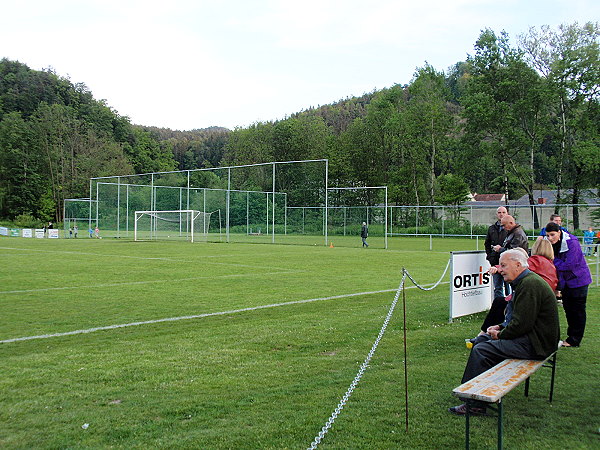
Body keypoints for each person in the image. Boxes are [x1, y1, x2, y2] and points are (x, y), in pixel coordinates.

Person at [449, 249, 560, 415]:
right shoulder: (525, 282)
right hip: (532, 339)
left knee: (482, 349)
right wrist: (500, 327)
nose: (500, 269)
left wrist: (500, 334)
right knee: (480, 341)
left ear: (517, 265)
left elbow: (522, 325)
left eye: (503, 265)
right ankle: (476, 393)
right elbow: (518, 319)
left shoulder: (529, 285)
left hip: (537, 345)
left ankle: (476, 404)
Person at [471, 241, 558, 344]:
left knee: (500, 303)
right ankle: (488, 333)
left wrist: (497, 268)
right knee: (502, 302)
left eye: (503, 265)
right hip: (540, 305)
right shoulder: (551, 264)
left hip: (535, 338)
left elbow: (523, 323)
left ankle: (484, 333)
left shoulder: (534, 264)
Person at [545, 222, 592, 347]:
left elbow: (569, 265)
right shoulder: (552, 243)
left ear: (559, 233)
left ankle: (575, 340)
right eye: (548, 235)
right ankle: (571, 337)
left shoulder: (572, 242)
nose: (550, 238)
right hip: (566, 283)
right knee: (568, 309)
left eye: (552, 235)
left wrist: (553, 260)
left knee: (577, 310)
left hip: (579, 281)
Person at [483, 207, 509, 327]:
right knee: (497, 287)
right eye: (499, 212)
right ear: (496, 214)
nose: (501, 214)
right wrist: (490, 256)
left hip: (507, 263)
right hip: (495, 262)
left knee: (508, 286)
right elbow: (487, 243)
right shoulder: (492, 229)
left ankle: (509, 309)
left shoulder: (509, 229)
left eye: (503, 212)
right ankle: (499, 310)